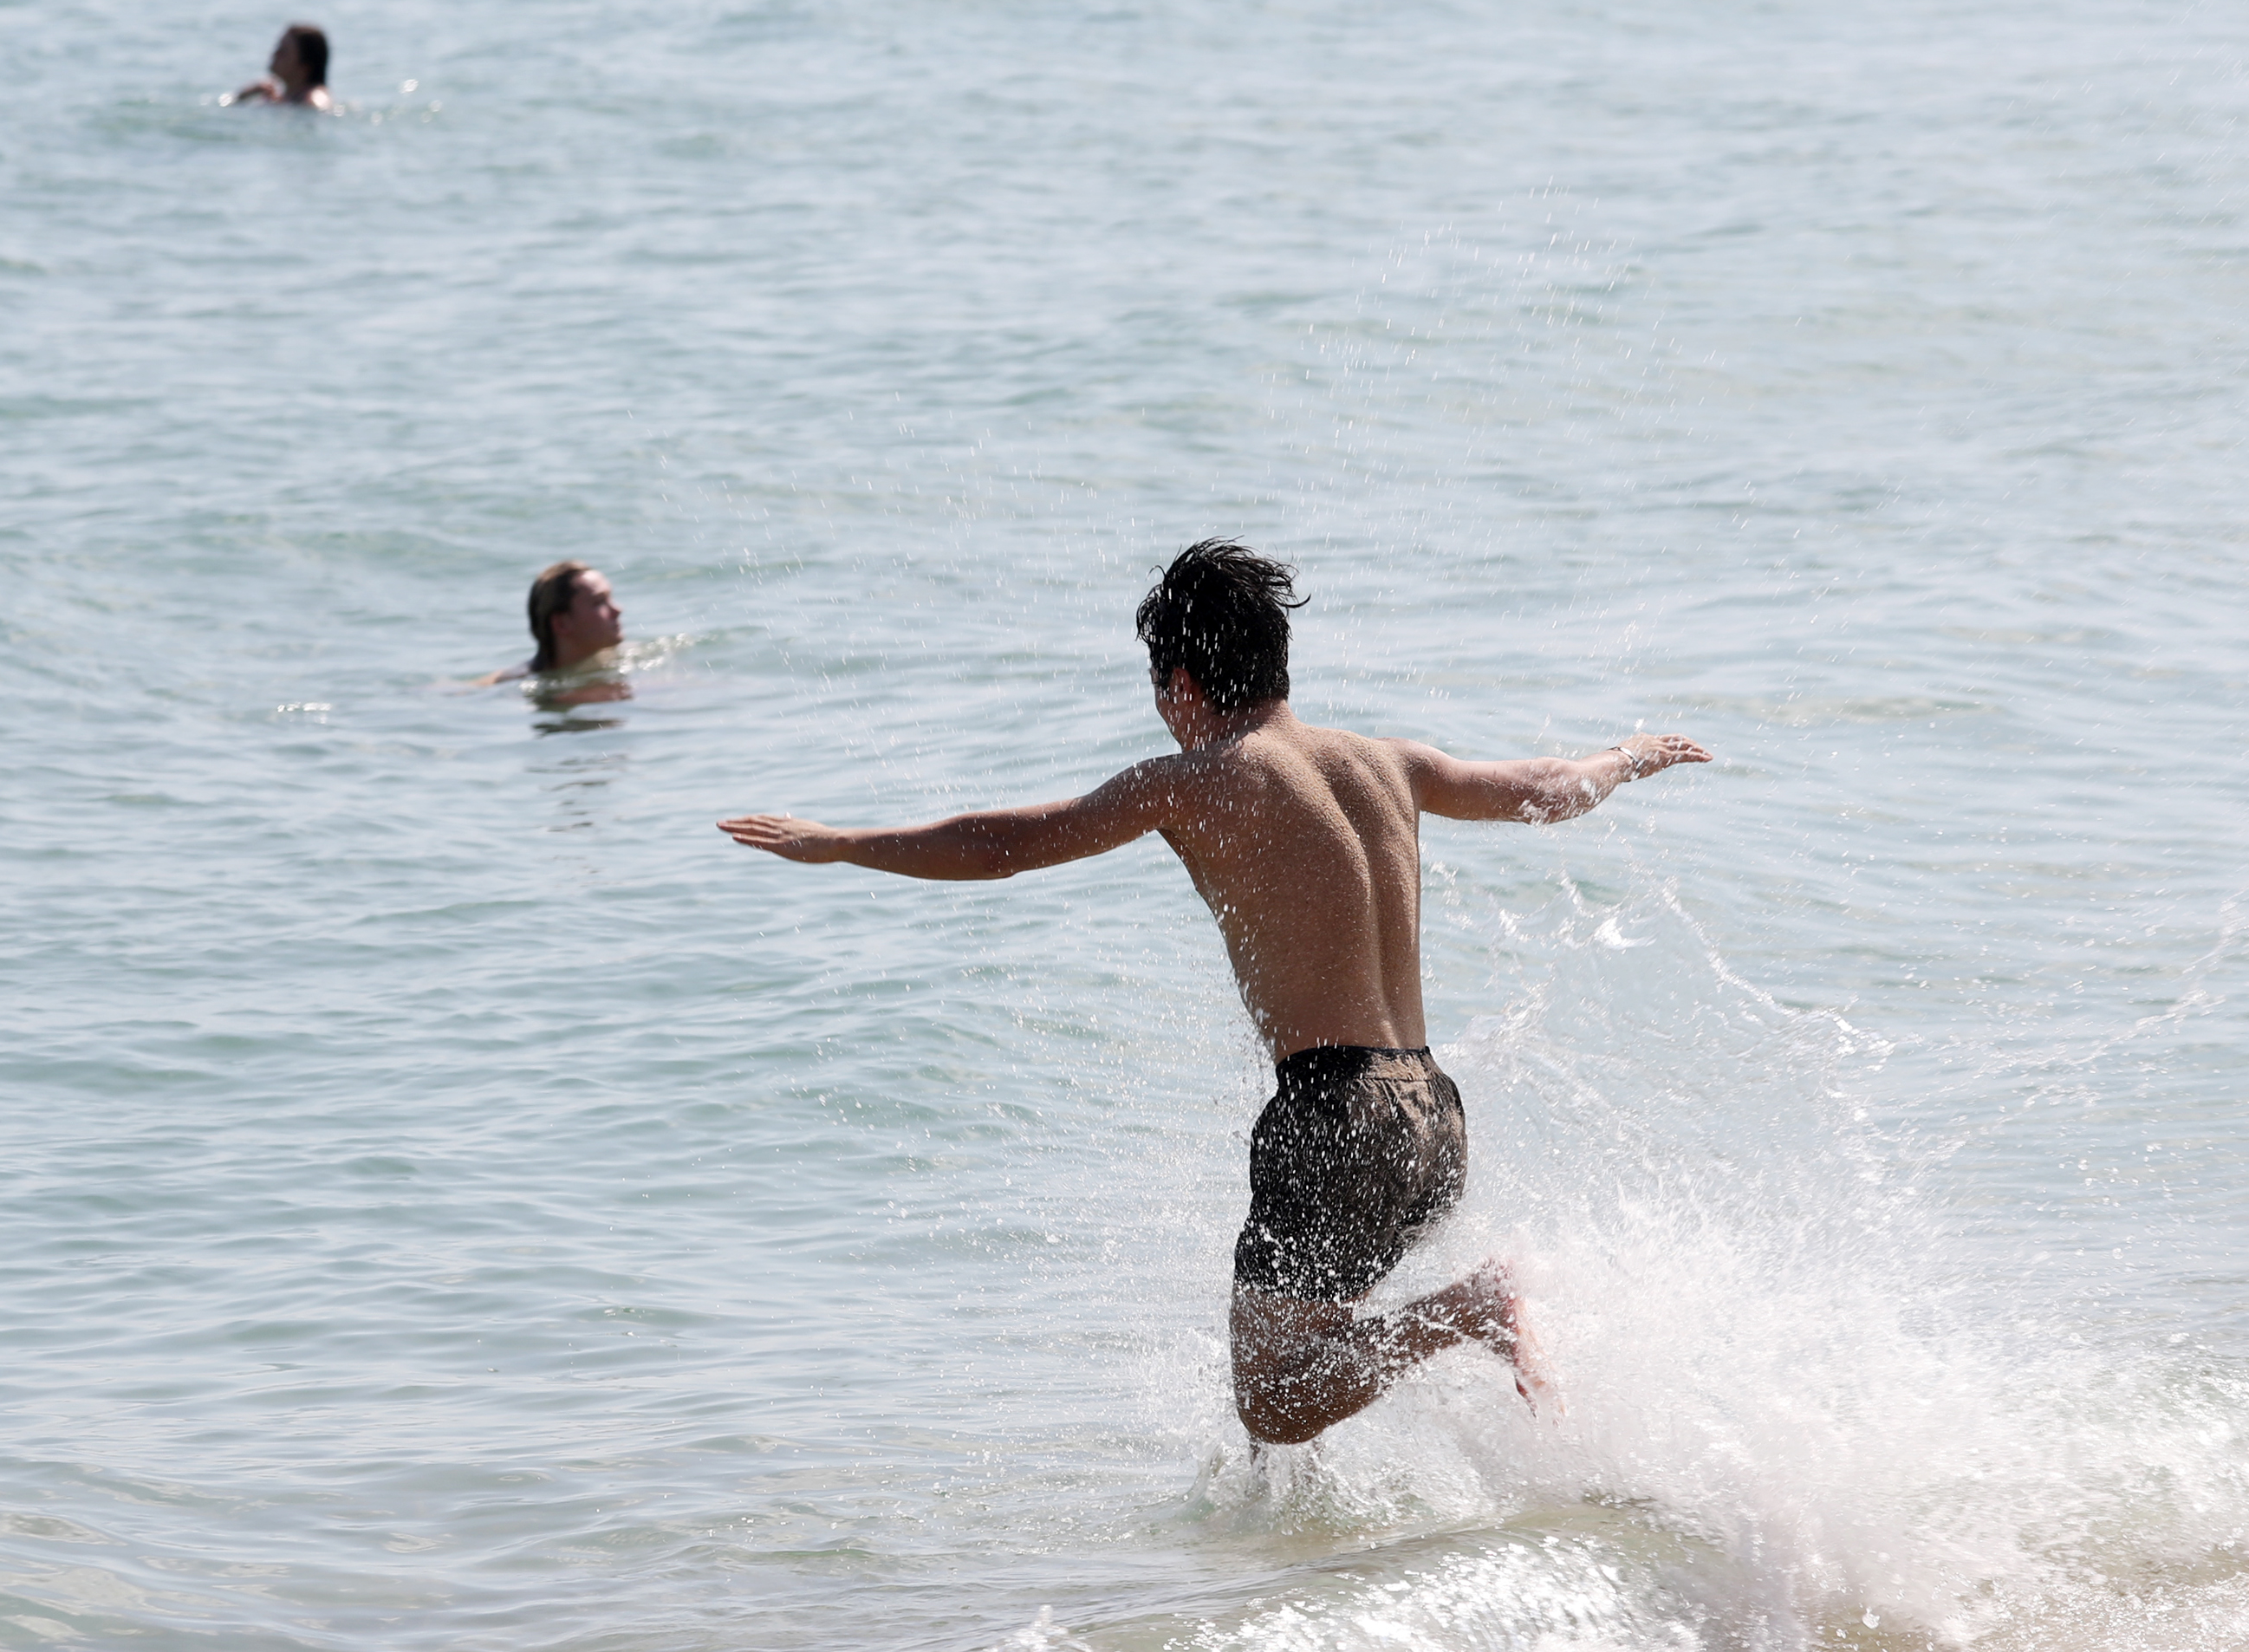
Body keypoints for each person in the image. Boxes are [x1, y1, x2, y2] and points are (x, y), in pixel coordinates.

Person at [718, 542, 1710, 1446]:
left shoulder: (1195, 781)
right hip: (1433, 1115)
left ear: (1181, 684)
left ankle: (1475, 1310)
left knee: (1275, 1401)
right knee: (1303, 1368)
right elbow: (1545, 787)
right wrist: (1627, 758)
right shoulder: (1387, 763)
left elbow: (1005, 846)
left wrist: (842, 844)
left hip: (1337, 1113)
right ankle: (1299, 1557)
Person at [474, 562, 629, 696]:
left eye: (610, 598)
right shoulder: (527, 685)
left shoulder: (626, 657)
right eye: (598, 602)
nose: (617, 609)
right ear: (561, 624)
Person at [228, 25, 334, 111]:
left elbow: (319, 113)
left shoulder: (314, 98)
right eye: (277, 48)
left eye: (283, 51)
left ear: (304, 67)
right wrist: (244, 95)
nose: (275, 54)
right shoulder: (289, 97)